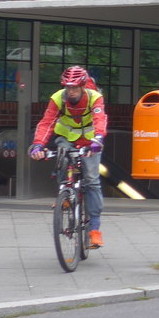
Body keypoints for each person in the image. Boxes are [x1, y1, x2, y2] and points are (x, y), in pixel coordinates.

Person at [29, 66, 107, 248]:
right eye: (67, 87)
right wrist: (38, 144)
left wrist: (98, 139)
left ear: (82, 86)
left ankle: (94, 229)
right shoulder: (58, 98)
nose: (70, 91)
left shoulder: (95, 98)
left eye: (74, 88)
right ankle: (65, 194)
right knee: (62, 158)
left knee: (92, 180)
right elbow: (47, 122)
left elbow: (100, 120)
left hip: (90, 141)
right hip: (66, 138)